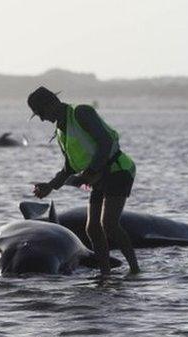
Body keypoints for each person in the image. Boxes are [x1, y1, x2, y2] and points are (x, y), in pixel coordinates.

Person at [27, 86, 140, 275]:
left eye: (40, 113)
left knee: (109, 224)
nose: (41, 119)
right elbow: (69, 168)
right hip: (98, 177)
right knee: (92, 228)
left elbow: (106, 142)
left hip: (118, 170)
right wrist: (50, 186)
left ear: (51, 103)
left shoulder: (81, 112)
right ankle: (105, 274)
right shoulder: (60, 131)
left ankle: (135, 270)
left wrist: (92, 170)